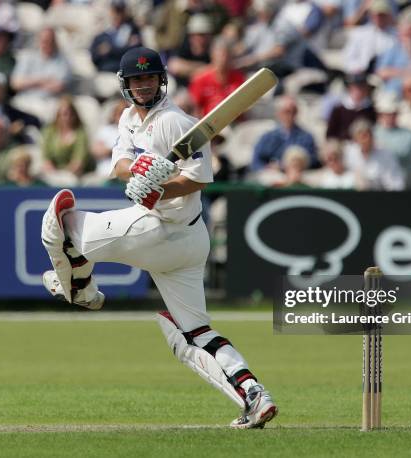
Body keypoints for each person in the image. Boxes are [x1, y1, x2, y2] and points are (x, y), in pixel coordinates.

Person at [40, 46, 278, 429]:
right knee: (191, 333)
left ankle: (80, 288)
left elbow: (199, 178)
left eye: (150, 78)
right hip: (184, 243)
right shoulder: (128, 118)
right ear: (126, 86)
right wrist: (139, 168)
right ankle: (253, 394)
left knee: (59, 220)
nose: (145, 85)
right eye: (137, 80)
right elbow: (118, 164)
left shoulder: (174, 122)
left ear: (161, 79)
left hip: (162, 229)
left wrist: (161, 190)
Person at [250, 95, 318, 171]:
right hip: (272, 177)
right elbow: (256, 161)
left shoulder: (306, 137)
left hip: (297, 176)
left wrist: (287, 166)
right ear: (278, 113)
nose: (290, 115)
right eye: (286, 111)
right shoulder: (268, 137)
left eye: (293, 111)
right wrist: (267, 169)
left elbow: (313, 161)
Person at [41, 96, 93, 178]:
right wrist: (54, 174)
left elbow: (78, 161)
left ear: (74, 115)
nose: (66, 117)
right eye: (62, 114)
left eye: (69, 114)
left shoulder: (81, 133)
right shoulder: (49, 131)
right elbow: (45, 156)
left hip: (75, 175)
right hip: (53, 174)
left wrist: (64, 175)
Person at [90, 0, 142, 73]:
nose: (118, 15)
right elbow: (95, 56)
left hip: (126, 71)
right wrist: (124, 47)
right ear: (110, 11)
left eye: (120, 11)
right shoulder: (103, 32)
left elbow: (134, 52)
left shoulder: (132, 29)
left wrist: (110, 49)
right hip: (106, 71)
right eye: (115, 11)